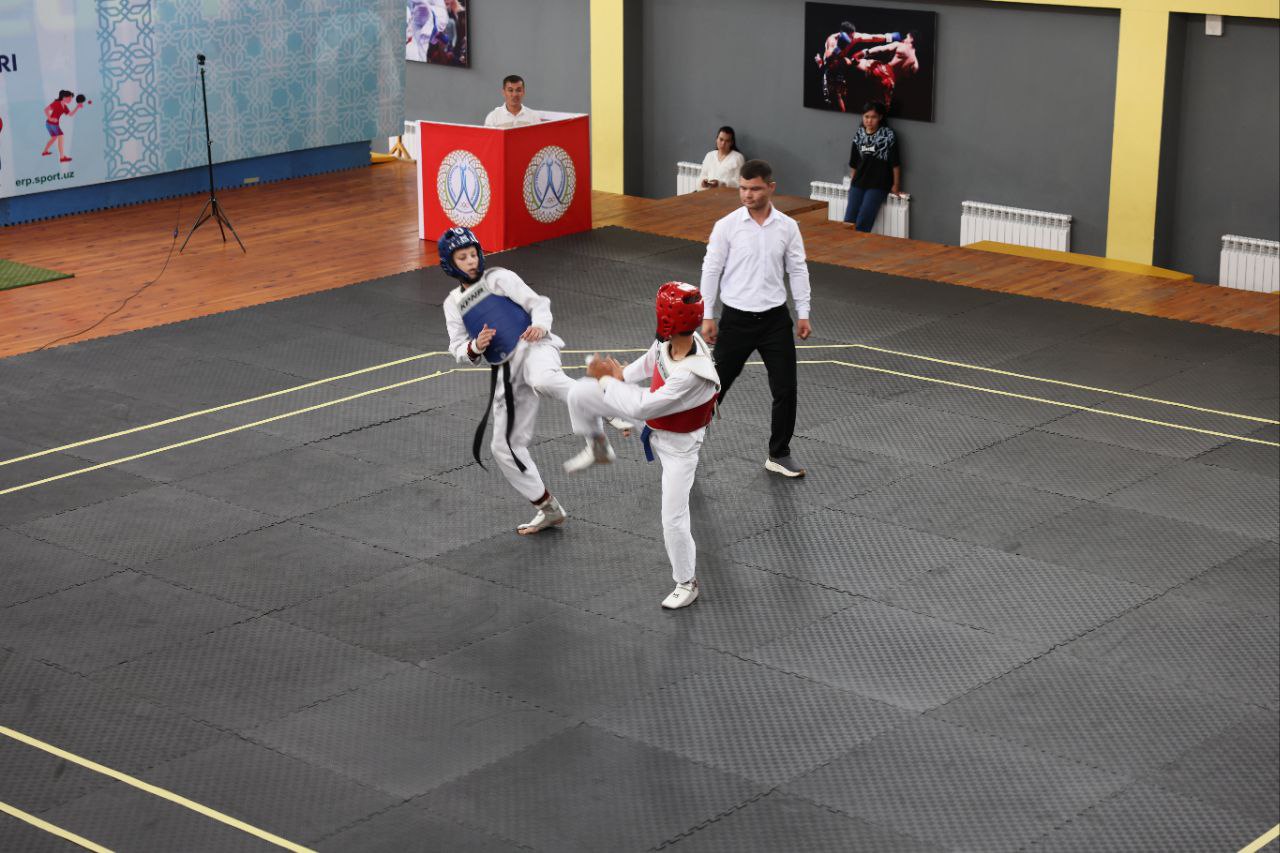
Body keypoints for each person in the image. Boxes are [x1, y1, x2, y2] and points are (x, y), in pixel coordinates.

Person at [438, 226, 629, 535]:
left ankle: (610, 405)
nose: (471, 261)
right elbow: (457, 346)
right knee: (503, 447)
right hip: (505, 369)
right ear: (450, 264)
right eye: (463, 257)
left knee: (543, 379)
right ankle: (548, 509)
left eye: (473, 254)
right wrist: (475, 346)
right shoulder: (452, 304)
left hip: (533, 345)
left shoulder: (498, 278)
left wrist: (540, 325)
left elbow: (537, 303)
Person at [563, 283, 720, 610]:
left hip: (678, 448)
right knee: (579, 392)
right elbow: (652, 361)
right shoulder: (670, 341)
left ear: (667, 318)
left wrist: (607, 380)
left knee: (672, 518)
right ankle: (598, 446)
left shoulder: (694, 373)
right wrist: (621, 375)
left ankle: (686, 582)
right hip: (650, 420)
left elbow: (641, 406)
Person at [699, 159, 812, 478]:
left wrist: (803, 313)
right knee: (713, 388)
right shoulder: (726, 226)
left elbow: (798, 269)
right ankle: (687, 446)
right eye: (743, 188)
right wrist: (707, 314)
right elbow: (711, 269)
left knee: (786, 388)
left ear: (771, 188)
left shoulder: (788, 227)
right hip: (736, 320)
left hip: (775, 320)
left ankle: (779, 454)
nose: (747, 195)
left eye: (755, 189)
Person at [813, 21, 900, 112]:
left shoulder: (854, 36)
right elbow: (827, 62)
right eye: (850, 37)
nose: (851, 39)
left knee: (853, 62)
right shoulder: (832, 40)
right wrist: (838, 49)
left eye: (852, 36)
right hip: (831, 70)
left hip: (842, 66)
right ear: (842, 34)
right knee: (837, 101)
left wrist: (889, 37)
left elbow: (872, 37)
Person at [843, 101, 902, 233]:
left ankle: (859, 244)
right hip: (859, 182)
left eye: (873, 117)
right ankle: (845, 244)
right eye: (866, 116)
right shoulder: (859, 134)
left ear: (880, 117)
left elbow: (895, 163)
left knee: (864, 219)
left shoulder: (888, 135)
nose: (869, 120)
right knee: (848, 220)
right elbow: (854, 162)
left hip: (878, 184)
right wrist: (852, 183)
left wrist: (896, 185)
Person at [850, 32, 920, 107]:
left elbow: (881, 49)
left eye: (907, 37)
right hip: (890, 84)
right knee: (880, 108)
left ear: (912, 39)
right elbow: (905, 80)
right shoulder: (916, 64)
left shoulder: (900, 45)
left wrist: (864, 53)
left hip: (881, 71)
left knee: (854, 60)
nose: (904, 39)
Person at [42, 90, 84, 163]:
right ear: (64, 97)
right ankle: (62, 157)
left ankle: (45, 151)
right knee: (60, 137)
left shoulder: (64, 107)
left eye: (71, 98)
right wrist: (50, 118)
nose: (70, 100)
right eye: (69, 98)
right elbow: (46, 110)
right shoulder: (56, 103)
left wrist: (77, 107)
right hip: (52, 124)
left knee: (54, 137)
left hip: (49, 124)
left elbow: (70, 114)